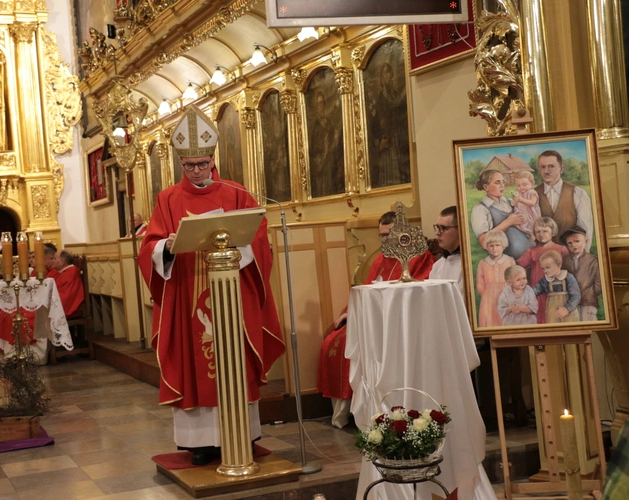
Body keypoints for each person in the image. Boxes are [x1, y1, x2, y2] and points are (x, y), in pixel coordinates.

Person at [137, 105, 284, 466]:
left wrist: (242, 244)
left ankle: (242, 434)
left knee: (235, 358)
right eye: (189, 166)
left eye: (202, 164)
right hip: (188, 293)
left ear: (212, 158)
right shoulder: (167, 199)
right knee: (194, 362)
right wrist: (165, 247)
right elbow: (149, 245)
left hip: (232, 292)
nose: (197, 172)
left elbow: (259, 234)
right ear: (181, 164)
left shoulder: (234, 192)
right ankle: (200, 442)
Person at [317, 211, 435, 427]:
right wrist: (349, 312)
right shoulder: (381, 258)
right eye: (381, 236)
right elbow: (368, 288)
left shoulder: (419, 256)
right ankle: (348, 411)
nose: (385, 240)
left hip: (396, 321)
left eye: (388, 235)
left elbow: (418, 290)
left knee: (346, 342)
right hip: (373, 317)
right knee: (332, 340)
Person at [0, 243, 59, 364]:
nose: (31, 260)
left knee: (18, 317)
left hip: (42, 306)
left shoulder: (53, 273)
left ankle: (33, 355)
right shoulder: (37, 272)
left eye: (34, 257)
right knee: (6, 312)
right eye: (31, 257)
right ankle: (13, 351)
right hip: (35, 303)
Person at [516, 217, 569, 324]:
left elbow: (569, 270)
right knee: (540, 317)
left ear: (552, 232)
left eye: (545, 231)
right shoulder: (532, 251)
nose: (541, 234)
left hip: (556, 291)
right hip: (538, 292)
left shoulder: (561, 249)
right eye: (538, 232)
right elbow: (518, 266)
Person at [535, 150, 593, 247]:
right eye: (543, 167)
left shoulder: (577, 193)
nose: (546, 171)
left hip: (570, 255)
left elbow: (586, 229)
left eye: (551, 166)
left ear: (561, 169)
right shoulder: (533, 195)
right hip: (543, 257)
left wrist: (581, 257)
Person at [470, 170, 533, 260]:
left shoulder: (509, 201)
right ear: (486, 187)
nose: (502, 185)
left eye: (503, 182)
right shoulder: (480, 209)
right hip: (509, 262)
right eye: (497, 182)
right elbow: (483, 241)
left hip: (530, 252)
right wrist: (508, 222)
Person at [475, 230, 516, 327]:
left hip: (506, 294)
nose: (495, 248)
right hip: (489, 297)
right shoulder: (483, 263)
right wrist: (486, 293)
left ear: (503, 245)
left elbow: (515, 277)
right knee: (489, 318)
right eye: (491, 246)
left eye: (497, 245)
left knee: (505, 319)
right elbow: (480, 280)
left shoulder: (509, 261)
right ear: (487, 247)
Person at [562, 226, 602, 321]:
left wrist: (590, 293)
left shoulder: (593, 260)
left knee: (589, 323)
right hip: (570, 303)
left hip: (588, 301)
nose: (574, 245)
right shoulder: (564, 261)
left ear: (586, 242)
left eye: (577, 241)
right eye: (570, 243)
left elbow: (599, 283)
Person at [533, 250, 581, 323]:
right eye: (543, 268)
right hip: (552, 313)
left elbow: (576, 296)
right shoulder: (545, 280)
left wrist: (567, 309)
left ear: (558, 265)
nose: (545, 271)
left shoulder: (568, 277)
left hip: (569, 312)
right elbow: (535, 291)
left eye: (548, 267)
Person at [430, 206, 464, 293]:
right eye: (437, 227)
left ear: (460, 229)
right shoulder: (437, 266)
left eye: (443, 228)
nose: (437, 233)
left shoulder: (467, 267)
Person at [52, 249, 85, 319]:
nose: (53, 261)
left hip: (67, 307)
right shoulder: (64, 273)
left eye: (54, 259)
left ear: (62, 262)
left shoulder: (70, 274)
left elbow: (66, 297)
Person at [510, 170, 541, 238]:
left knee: (531, 225)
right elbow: (513, 204)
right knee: (518, 223)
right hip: (521, 212)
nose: (521, 187)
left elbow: (532, 203)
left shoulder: (532, 193)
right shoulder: (519, 193)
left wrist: (521, 200)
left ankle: (532, 234)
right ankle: (523, 234)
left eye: (524, 184)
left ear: (532, 184)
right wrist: (514, 201)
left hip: (530, 213)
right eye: (518, 185)